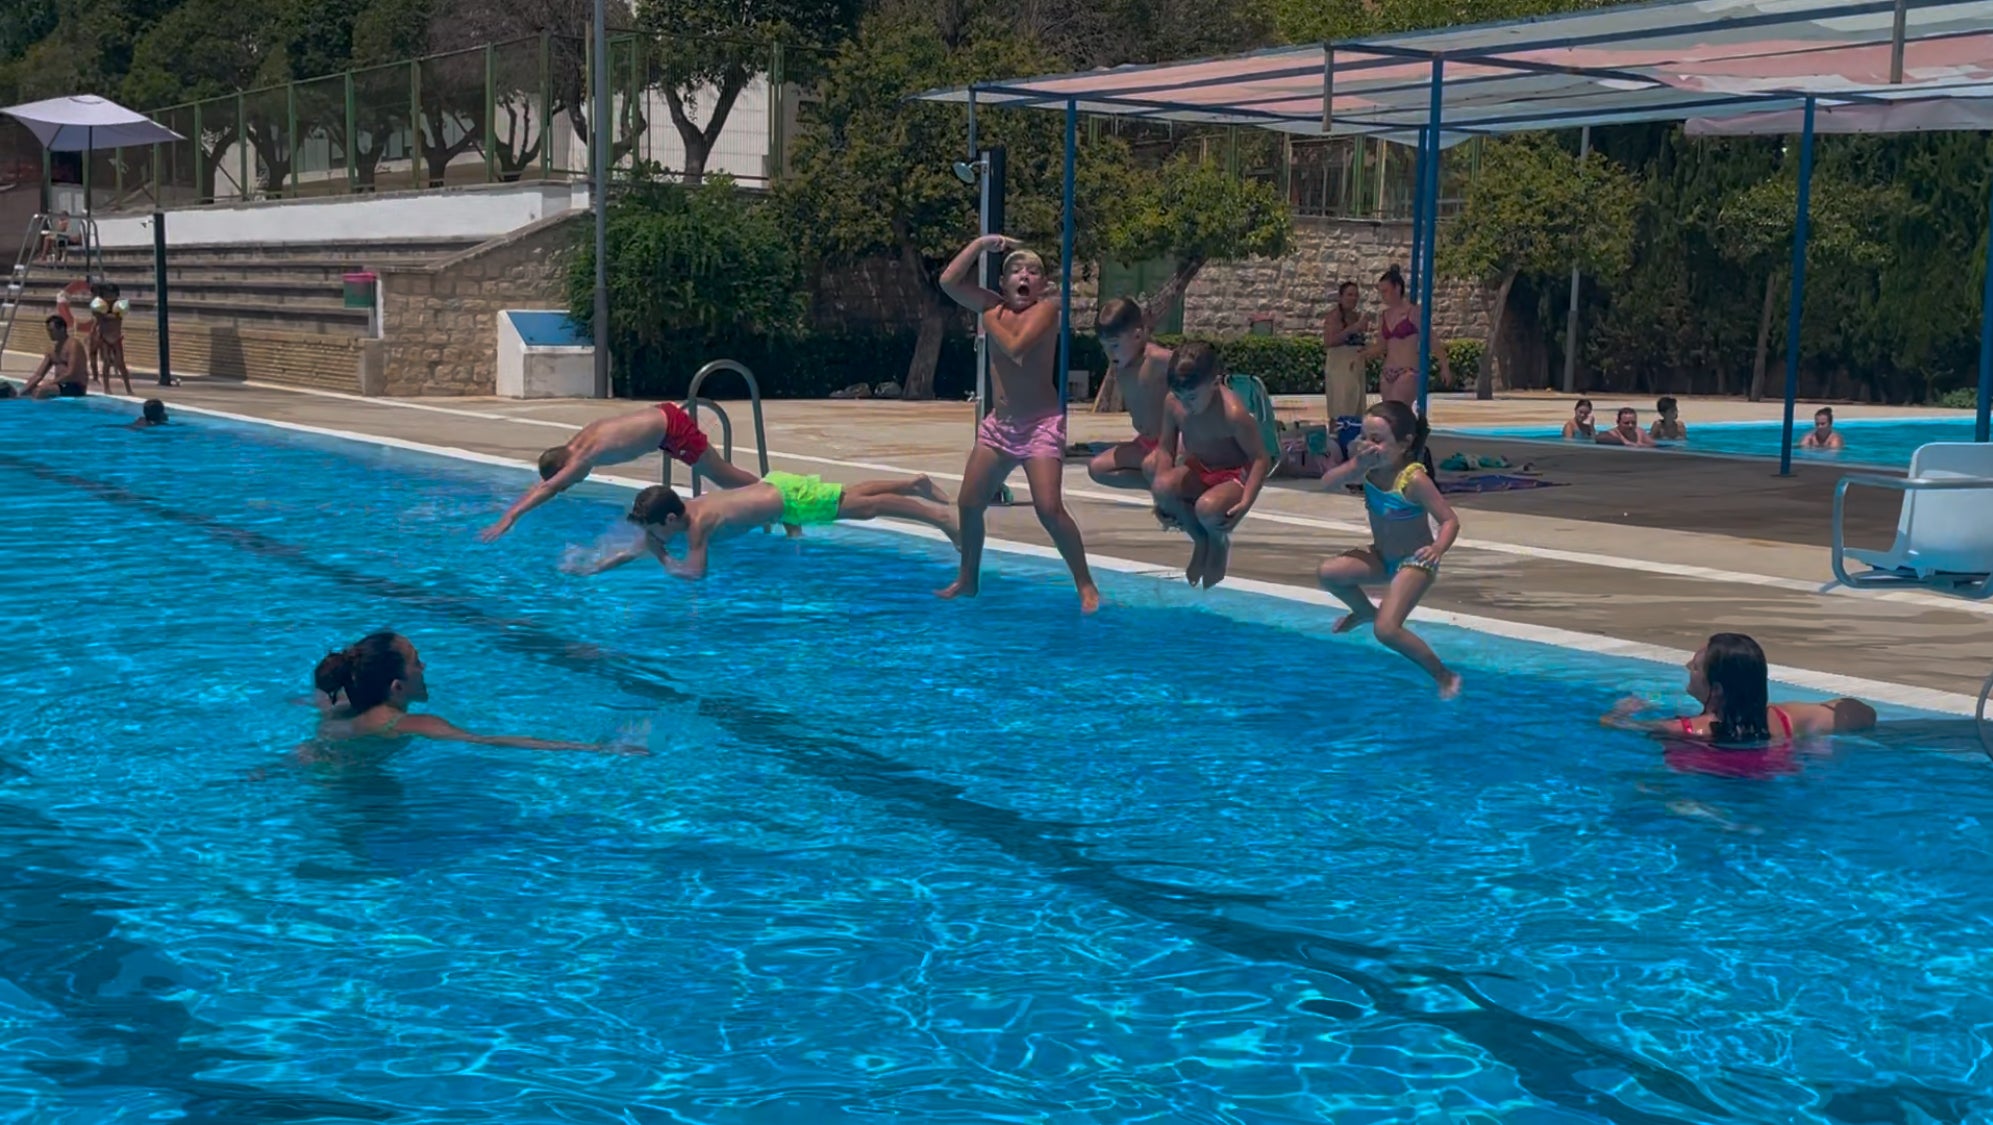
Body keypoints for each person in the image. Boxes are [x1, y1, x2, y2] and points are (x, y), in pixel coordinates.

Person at [936, 234, 1100, 612]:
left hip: (1040, 425)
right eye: (1015, 270)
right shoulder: (993, 307)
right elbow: (947, 282)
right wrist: (979, 245)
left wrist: (986, 315)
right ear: (1003, 283)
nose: (1024, 276)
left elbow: (1015, 347)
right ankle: (968, 579)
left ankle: (1086, 584)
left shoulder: (1046, 310)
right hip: (1000, 427)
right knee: (969, 502)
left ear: (1042, 285)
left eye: (1033, 272)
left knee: (1048, 509)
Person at [1315, 401, 1463, 699]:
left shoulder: (1414, 480)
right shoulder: (1368, 468)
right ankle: (1363, 611)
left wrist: (1437, 548)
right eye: (1364, 438)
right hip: (1382, 557)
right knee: (1327, 573)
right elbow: (1326, 484)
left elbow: (1449, 520)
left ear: (1405, 443)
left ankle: (1443, 674)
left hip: (1415, 562)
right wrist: (1354, 466)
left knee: (1386, 630)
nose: (1368, 446)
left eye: (1377, 440)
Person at [576, 474, 959, 582]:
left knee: (865, 509)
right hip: (778, 492)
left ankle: (940, 518)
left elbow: (695, 573)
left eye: (656, 530)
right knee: (849, 495)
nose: (654, 538)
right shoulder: (681, 513)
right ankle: (914, 484)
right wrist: (596, 566)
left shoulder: (698, 527)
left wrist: (662, 558)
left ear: (670, 521)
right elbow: (639, 546)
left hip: (790, 501)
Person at [480, 402, 763, 541]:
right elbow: (547, 484)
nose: (570, 484)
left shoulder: (582, 456)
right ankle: (770, 501)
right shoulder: (577, 443)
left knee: (722, 474)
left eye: (567, 483)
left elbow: (547, 488)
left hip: (672, 430)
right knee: (721, 475)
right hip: (665, 426)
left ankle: (776, 498)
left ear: (563, 468)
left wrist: (510, 516)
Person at [311, 632, 621, 752]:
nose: (425, 666)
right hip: (357, 802)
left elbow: (317, 694)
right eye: (416, 662)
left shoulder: (340, 701)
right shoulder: (402, 722)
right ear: (397, 688)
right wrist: (595, 748)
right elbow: (486, 741)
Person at [1603, 633, 1877, 745]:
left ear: (1718, 690)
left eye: (1697, 668)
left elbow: (1612, 726)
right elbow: (1866, 715)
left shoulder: (1686, 730)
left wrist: (1622, 711)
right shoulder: (1788, 719)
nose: (1688, 666)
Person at [1149, 342, 1272, 589]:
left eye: (1192, 397)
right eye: (1180, 396)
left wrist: (1246, 502)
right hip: (1200, 467)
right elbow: (1165, 449)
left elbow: (1261, 458)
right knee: (1161, 486)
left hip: (1233, 475)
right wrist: (1161, 499)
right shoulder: (1173, 403)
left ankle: (1217, 542)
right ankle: (1201, 540)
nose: (1186, 404)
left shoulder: (1233, 413)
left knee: (1207, 508)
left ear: (1215, 384)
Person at [1087, 296, 1174, 491]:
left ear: (1138, 336)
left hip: (1173, 446)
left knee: (1152, 466)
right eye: (1104, 347)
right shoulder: (1122, 367)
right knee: (1098, 469)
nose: (1110, 353)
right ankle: (1163, 488)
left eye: (1115, 345)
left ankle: (1173, 495)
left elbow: (1198, 372)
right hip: (1145, 443)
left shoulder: (1157, 360)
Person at [1363, 265, 1422, 408]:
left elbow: (1432, 340)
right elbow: (1381, 346)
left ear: (1397, 288)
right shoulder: (1384, 315)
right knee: (1389, 413)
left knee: (1398, 411)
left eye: (1385, 291)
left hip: (1407, 370)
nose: (1383, 296)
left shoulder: (1414, 312)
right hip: (1388, 371)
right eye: (1381, 292)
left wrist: (1444, 366)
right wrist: (1361, 355)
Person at [1322, 280, 1372, 420]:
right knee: (1342, 406)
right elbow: (1329, 341)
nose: (1353, 298)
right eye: (1349, 295)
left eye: (1356, 295)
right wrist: (1353, 328)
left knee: (1357, 406)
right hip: (1340, 366)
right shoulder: (1334, 317)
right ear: (1341, 297)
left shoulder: (1356, 316)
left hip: (1356, 366)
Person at [19, 315, 90, 399]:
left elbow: (71, 374)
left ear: (62, 329)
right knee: (30, 390)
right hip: (59, 385)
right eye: (48, 331)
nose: (49, 334)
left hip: (75, 386)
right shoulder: (53, 350)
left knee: (41, 390)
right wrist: (21, 391)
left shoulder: (73, 345)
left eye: (52, 331)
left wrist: (50, 382)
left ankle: (37, 411)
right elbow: (38, 375)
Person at [88, 284, 133, 396]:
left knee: (121, 364)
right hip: (104, 338)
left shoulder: (119, 306)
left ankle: (128, 388)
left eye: (112, 294)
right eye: (107, 294)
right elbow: (99, 319)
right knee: (106, 363)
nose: (109, 297)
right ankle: (106, 388)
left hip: (116, 338)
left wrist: (107, 315)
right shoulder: (99, 307)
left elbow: (117, 317)